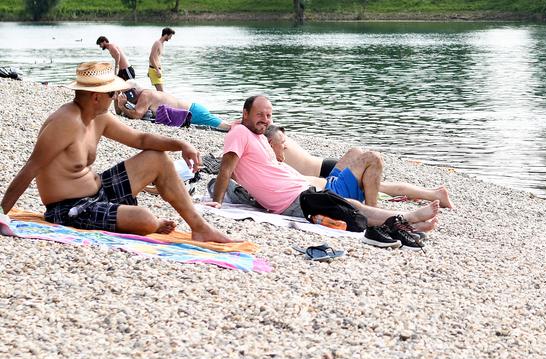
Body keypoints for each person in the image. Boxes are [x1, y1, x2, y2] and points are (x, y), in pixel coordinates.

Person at [0, 61, 235, 243]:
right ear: (95, 97)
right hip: (69, 209)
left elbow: (140, 138)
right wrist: (1, 213)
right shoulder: (64, 123)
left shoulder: (98, 116)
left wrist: (181, 143)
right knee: (144, 219)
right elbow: (30, 169)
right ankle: (148, 223)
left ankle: (199, 227)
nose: (117, 97)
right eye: (112, 93)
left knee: (157, 158)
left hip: (99, 190)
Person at [208, 95, 439, 249]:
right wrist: (217, 202)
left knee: (346, 204)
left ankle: (402, 223)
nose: (265, 120)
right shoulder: (239, 133)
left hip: (302, 192)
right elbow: (227, 169)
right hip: (293, 200)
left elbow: (254, 173)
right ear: (245, 113)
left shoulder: (258, 138)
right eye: (260, 115)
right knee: (350, 208)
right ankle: (406, 218)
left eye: (269, 116)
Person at [263, 125, 453, 208]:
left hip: (326, 174)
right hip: (327, 179)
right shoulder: (266, 154)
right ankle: (434, 194)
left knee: (377, 181)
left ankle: (434, 194)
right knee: (378, 182)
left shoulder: (264, 148)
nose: (285, 145)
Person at [114, 88, 232, 131]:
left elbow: (137, 115)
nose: (127, 96)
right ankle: (242, 123)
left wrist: (121, 105)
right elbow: (119, 113)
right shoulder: (142, 96)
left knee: (227, 127)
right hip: (191, 110)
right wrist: (116, 100)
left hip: (192, 112)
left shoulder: (145, 95)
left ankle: (244, 125)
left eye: (128, 93)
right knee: (225, 125)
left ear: (134, 90)